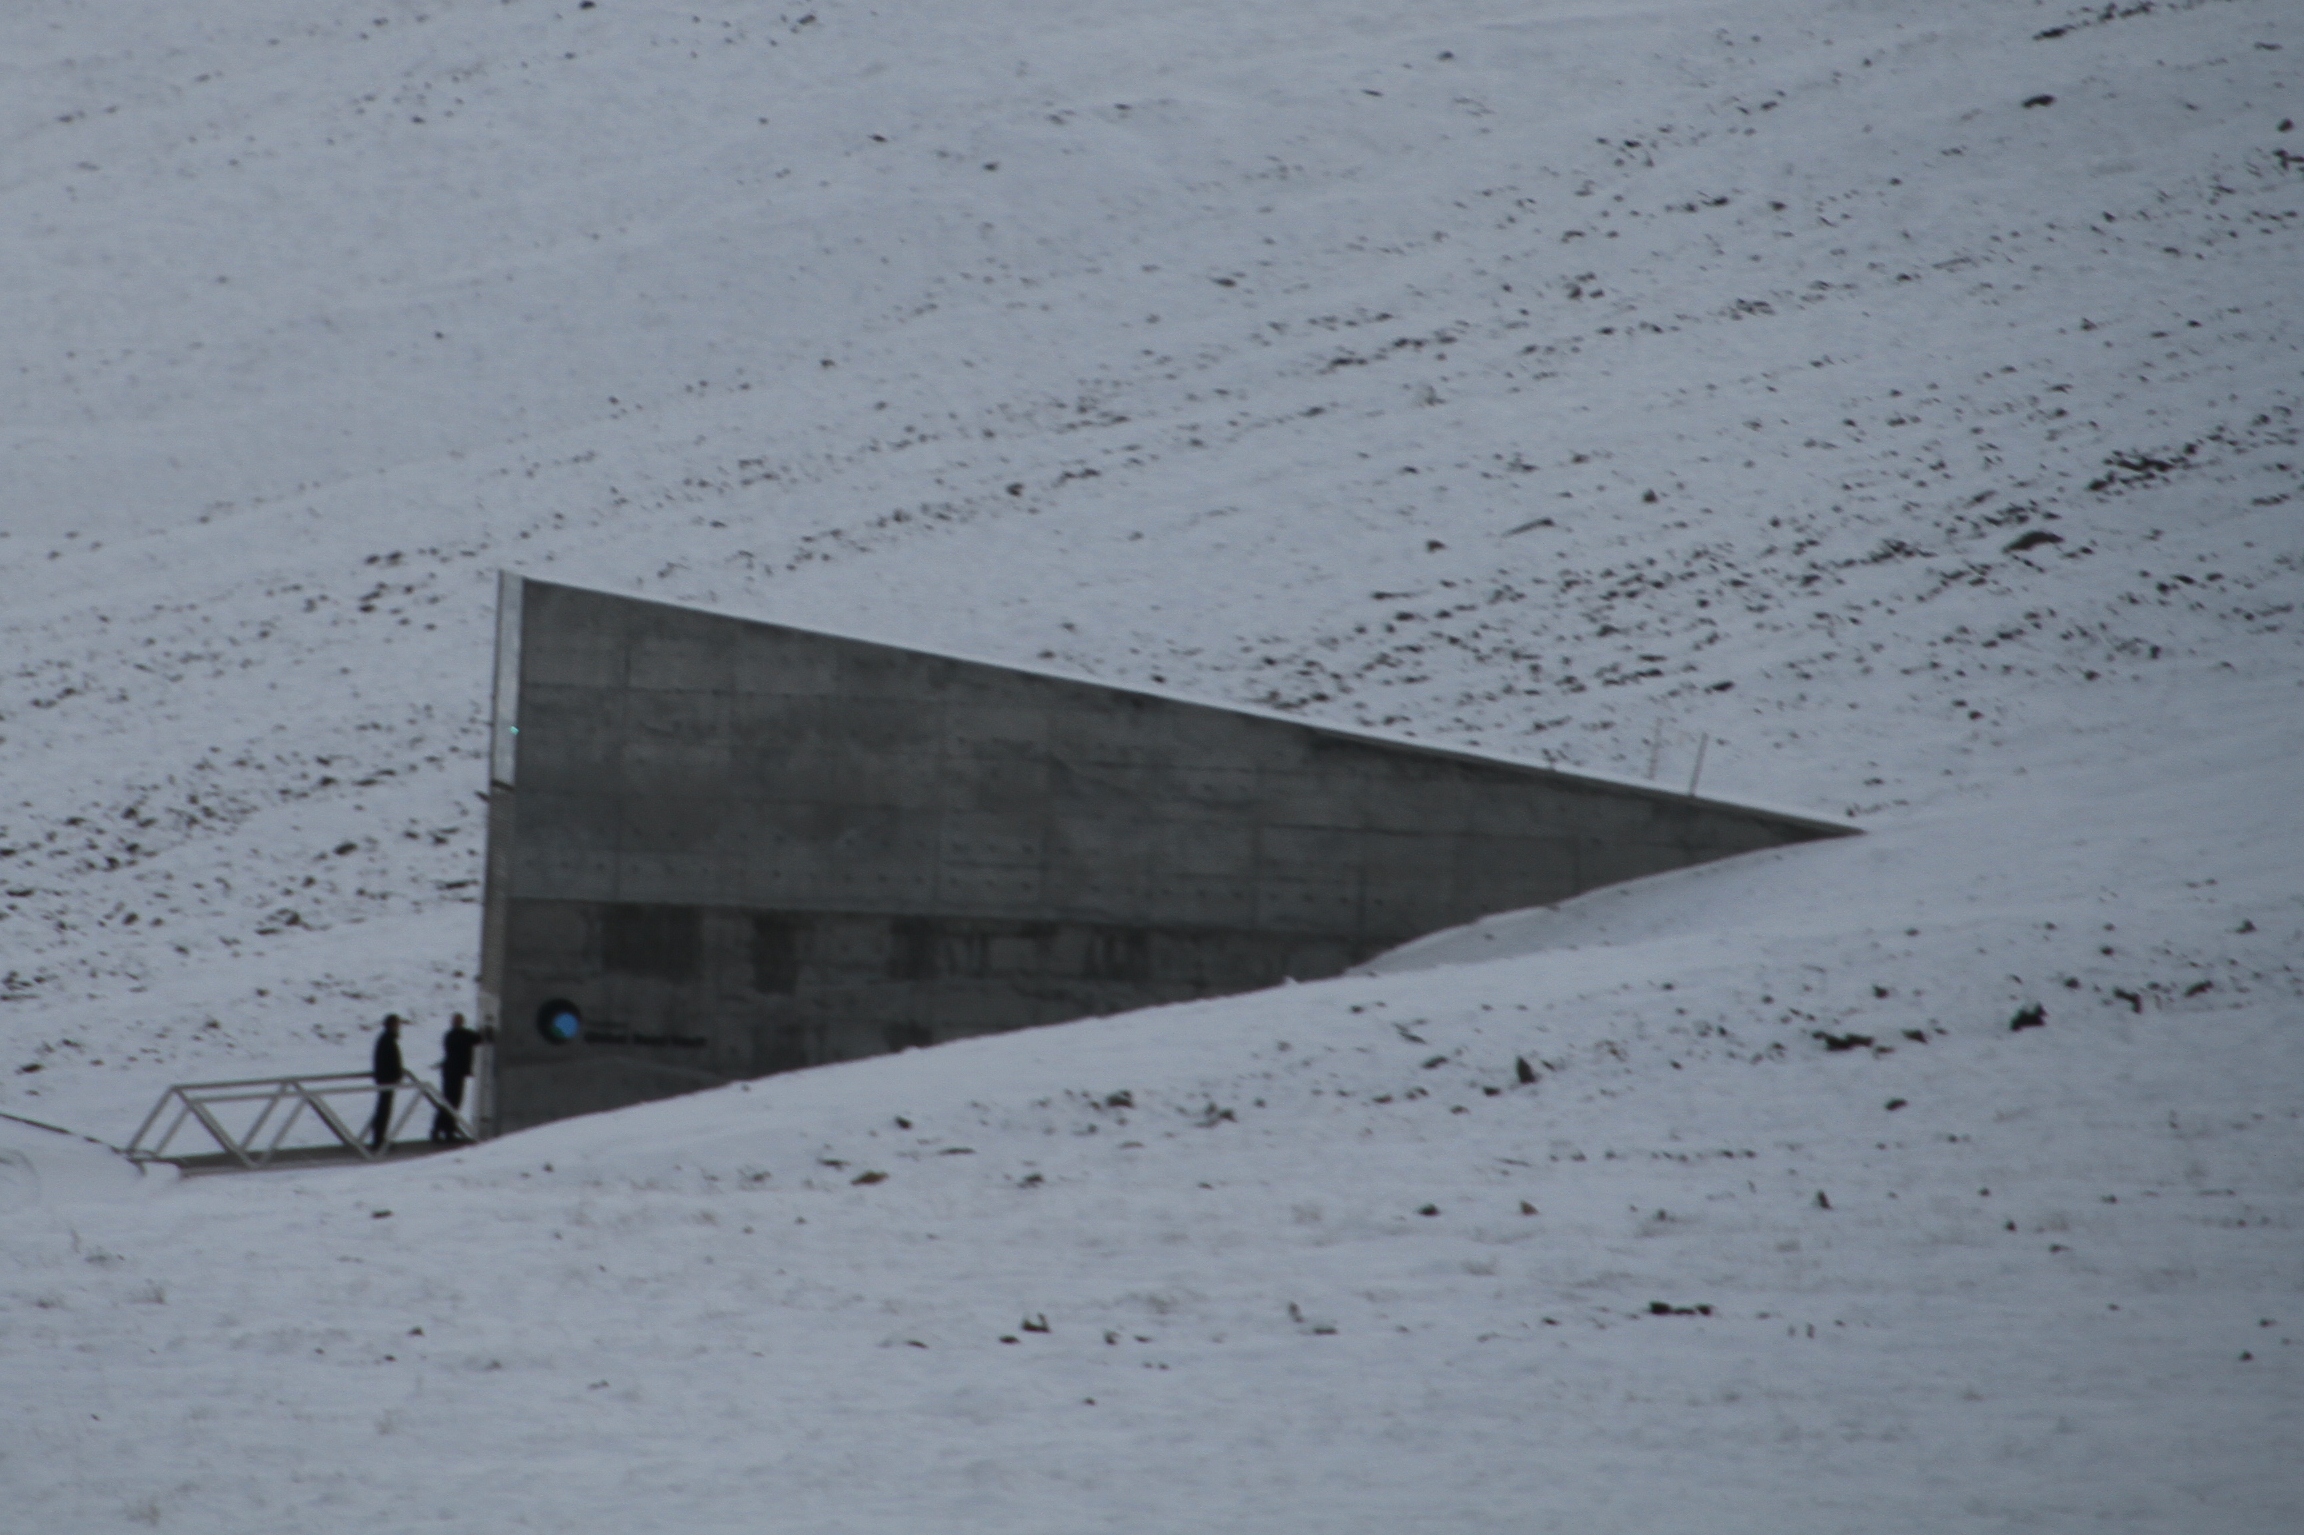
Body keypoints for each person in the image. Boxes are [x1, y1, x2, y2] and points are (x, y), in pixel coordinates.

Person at [430, 1013, 482, 1143]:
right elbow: (477, 1039)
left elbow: (475, 1039)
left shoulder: (452, 1035)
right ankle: (441, 1129)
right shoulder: (460, 1035)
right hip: (454, 1073)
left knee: (451, 1102)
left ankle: (446, 1129)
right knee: (451, 1102)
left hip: (452, 1072)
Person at [367, 1014, 404, 1151]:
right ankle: (379, 1140)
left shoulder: (385, 1040)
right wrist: (395, 1074)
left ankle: (379, 1138)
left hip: (385, 1079)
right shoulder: (387, 1040)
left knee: (383, 1110)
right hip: (386, 1080)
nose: (399, 1027)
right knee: (383, 1110)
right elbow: (388, 1061)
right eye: (397, 1024)